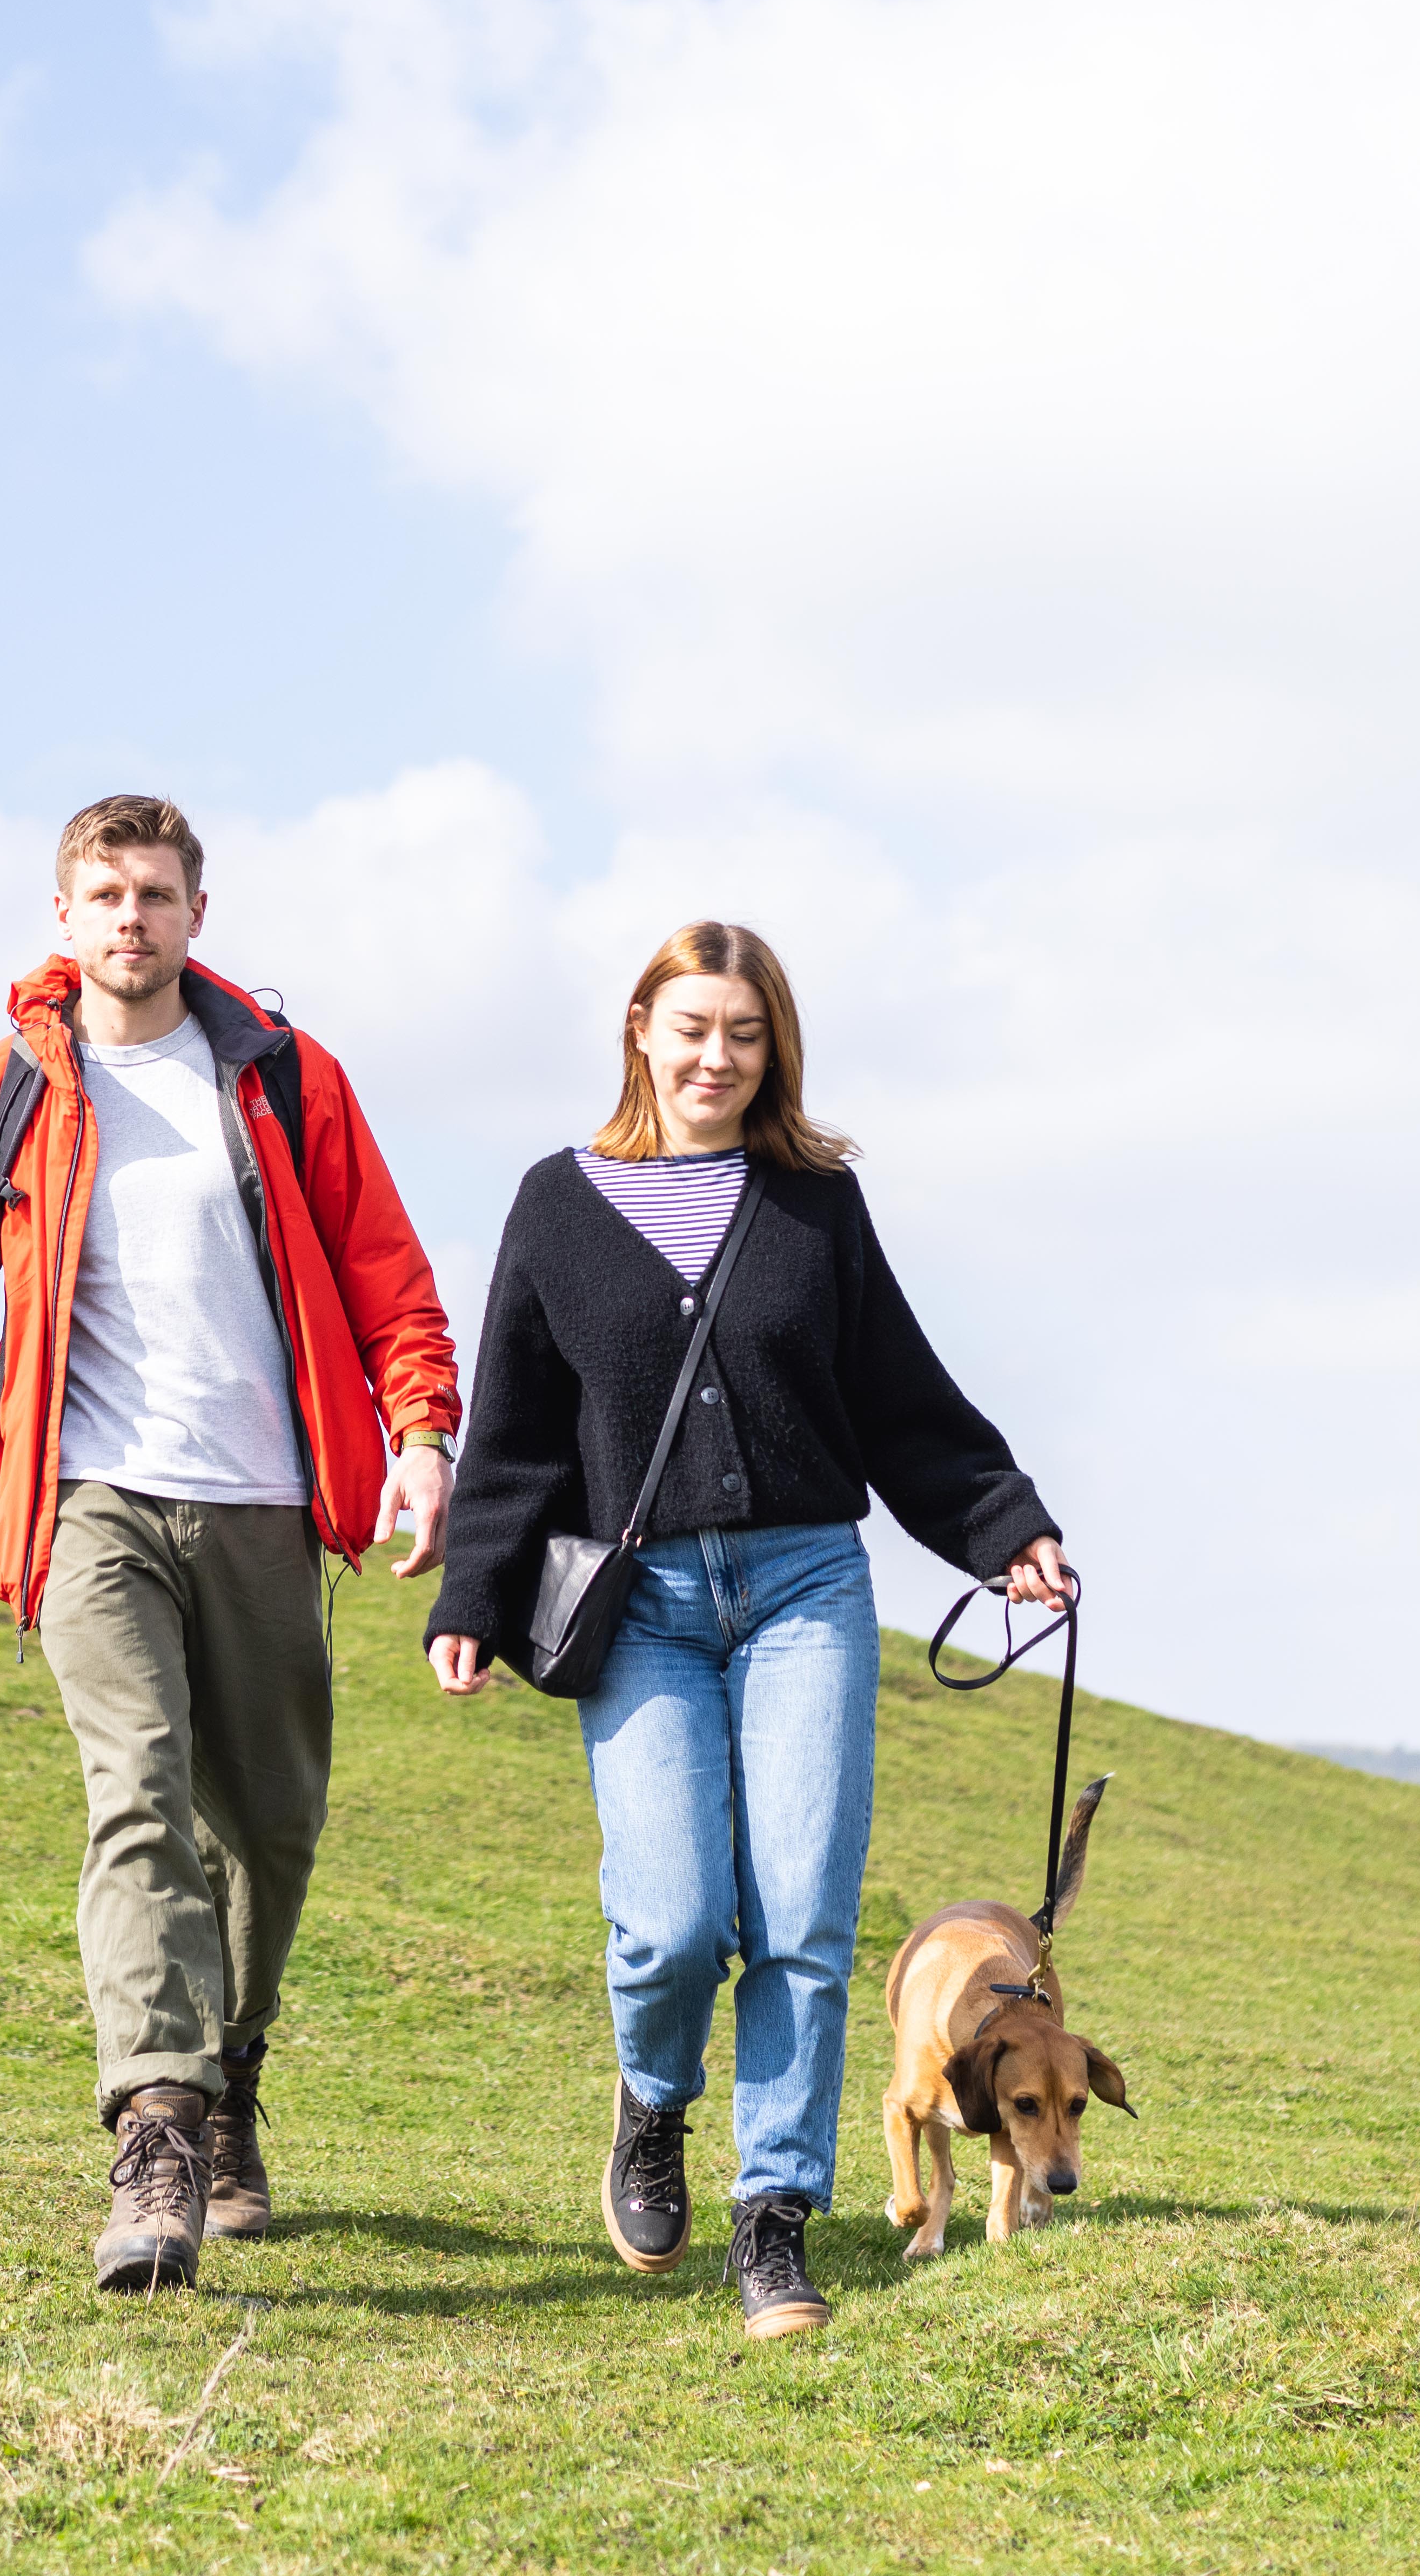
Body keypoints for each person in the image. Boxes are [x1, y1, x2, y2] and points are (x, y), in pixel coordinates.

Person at [425, 919, 1073, 2341]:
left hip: (804, 1594)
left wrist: (1006, 1527)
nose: (717, 1056)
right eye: (694, 1026)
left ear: (773, 1050)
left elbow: (901, 1394)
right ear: (641, 1030)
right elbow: (519, 1431)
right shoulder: (556, 1202)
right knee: (672, 1924)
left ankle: (775, 2224)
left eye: (747, 1033)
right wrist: (473, 1596)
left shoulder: (814, 1205)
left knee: (803, 1924)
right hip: (642, 1601)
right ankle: (653, 2104)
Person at [0, 793, 464, 2292]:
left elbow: (388, 1272)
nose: (129, 919)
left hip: (269, 1498)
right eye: (102, 895)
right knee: (136, 1794)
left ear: (197, 913)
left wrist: (419, 1437)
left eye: (153, 893)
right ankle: (155, 2131)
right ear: (62, 918)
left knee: (267, 1828)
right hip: (94, 1501)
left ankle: (229, 2082)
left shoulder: (281, 1078)